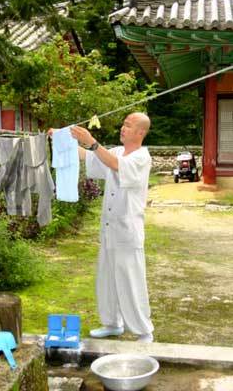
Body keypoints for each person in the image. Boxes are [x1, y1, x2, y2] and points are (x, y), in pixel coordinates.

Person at [70, 112, 154, 342]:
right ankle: (112, 323)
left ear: (140, 132)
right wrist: (64, 139)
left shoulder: (141, 157)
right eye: (123, 124)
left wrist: (93, 142)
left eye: (128, 125)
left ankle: (143, 330)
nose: (123, 128)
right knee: (106, 278)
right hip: (109, 228)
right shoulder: (116, 151)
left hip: (128, 230)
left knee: (130, 280)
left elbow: (116, 165)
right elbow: (90, 158)